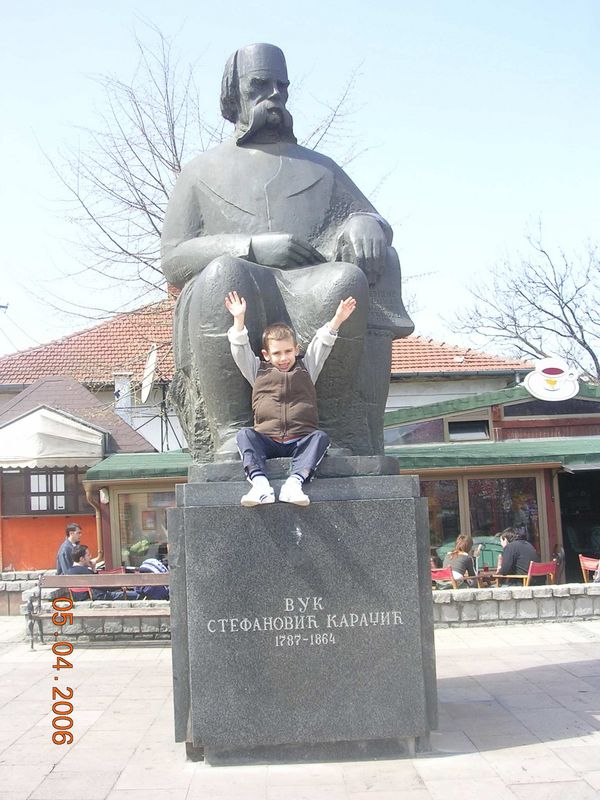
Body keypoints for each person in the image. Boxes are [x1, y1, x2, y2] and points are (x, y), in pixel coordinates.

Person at [161, 43, 414, 461]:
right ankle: (232, 431)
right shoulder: (200, 171)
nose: (274, 95)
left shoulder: (320, 166)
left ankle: (329, 428)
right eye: (260, 84)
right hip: (242, 285)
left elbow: (369, 216)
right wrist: (252, 248)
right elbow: (173, 258)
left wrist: (366, 223)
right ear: (234, 93)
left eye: (282, 85)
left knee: (346, 280)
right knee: (223, 273)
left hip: (308, 284)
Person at [226, 290, 356, 506]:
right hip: (267, 439)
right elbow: (240, 349)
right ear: (266, 355)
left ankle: (294, 484)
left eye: (288, 351)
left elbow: (322, 344)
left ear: (296, 350)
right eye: (277, 353)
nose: (283, 358)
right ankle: (260, 486)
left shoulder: (307, 368)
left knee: (320, 438)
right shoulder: (257, 371)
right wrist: (239, 319)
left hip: (300, 439)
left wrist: (338, 319)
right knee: (244, 435)